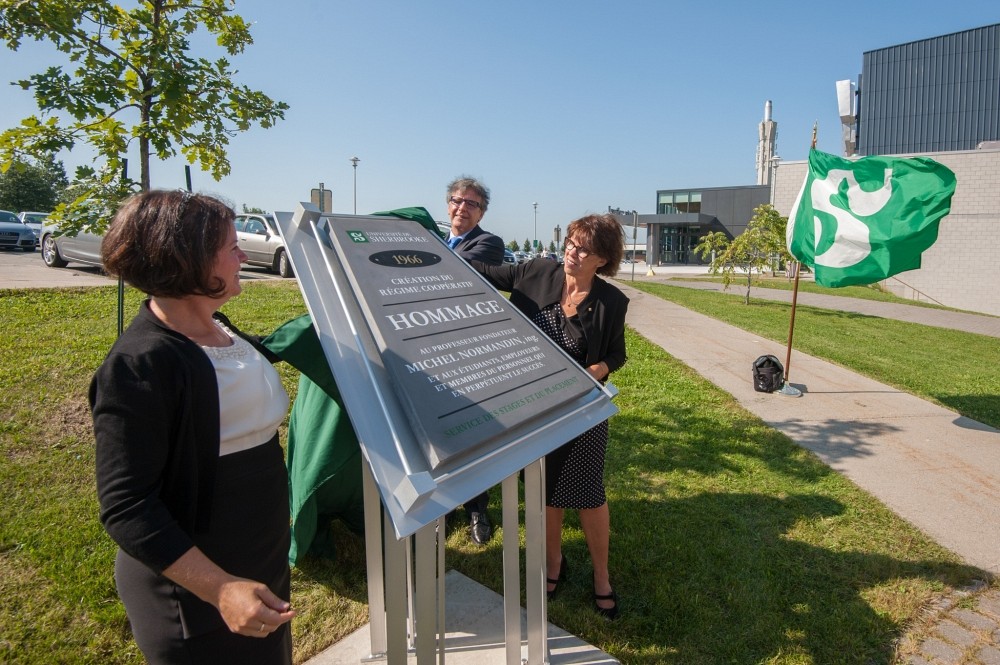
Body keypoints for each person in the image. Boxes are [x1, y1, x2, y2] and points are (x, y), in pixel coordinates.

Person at [90, 190, 296, 664]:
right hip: (194, 584)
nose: (243, 253)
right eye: (230, 246)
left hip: (258, 552)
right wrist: (220, 589)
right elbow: (126, 506)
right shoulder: (139, 365)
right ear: (189, 261)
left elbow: (243, 374)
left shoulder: (218, 326)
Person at [472, 213, 628, 620]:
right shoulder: (537, 271)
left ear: (602, 260)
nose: (572, 253)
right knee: (544, 493)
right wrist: (430, 254)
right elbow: (486, 270)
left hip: (582, 413)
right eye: (571, 244)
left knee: (589, 494)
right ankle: (554, 563)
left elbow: (617, 354)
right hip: (534, 409)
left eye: (583, 249)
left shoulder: (612, 302)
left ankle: (602, 576)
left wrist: (598, 370)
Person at [444, 176, 505, 544]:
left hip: (470, 356)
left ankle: (477, 507)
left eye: (472, 204)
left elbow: (452, 273)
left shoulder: (488, 243)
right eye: (457, 200)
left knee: (473, 436)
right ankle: (443, 506)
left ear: (482, 211)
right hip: (432, 351)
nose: (462, 208)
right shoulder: (434, 240)